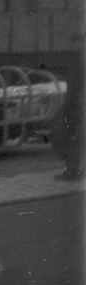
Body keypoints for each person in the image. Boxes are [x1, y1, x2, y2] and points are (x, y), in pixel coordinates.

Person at [53, 33, 84, 181]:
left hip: (78, 104)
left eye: (76, 42)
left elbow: (74, 85)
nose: (75, 46)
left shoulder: (78, 58)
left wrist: (69, 105)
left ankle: (72, 172)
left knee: (74, 139)